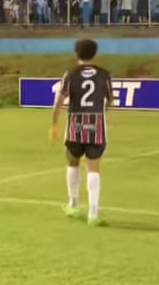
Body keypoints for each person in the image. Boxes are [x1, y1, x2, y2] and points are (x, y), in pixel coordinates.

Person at [50, 38, 112, 226]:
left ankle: (74, 204)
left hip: (75, 123)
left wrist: (54, 124)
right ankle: (93, 213)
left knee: (72, 162)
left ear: (76, 54)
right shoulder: (104, 74)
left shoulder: (71, 74)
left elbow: (58, 102)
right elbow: (110, 101)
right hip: (96, 124)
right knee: (94, 168)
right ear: (95, 53)